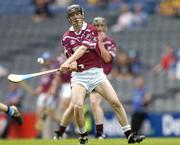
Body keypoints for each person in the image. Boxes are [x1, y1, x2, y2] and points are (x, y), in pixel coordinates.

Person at [54, 4, 145, 144]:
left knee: (115, 102)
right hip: (79, 77)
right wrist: (70, 64)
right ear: (69, 18)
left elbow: (83, 48)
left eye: (78, 13)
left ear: (82, 14)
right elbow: (70, 57)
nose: (76, 17)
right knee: (77, 106)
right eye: (72, 15)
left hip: (96, 73)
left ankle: (129, 135)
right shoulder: (66, 37)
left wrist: (70, 60)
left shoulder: (91, 29)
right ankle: (83, 135)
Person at [89, 16, 116, 139]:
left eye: (101, 25)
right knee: (73, 105)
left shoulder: (110, 42)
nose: (99, 28)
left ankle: (100, 132)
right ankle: (63, 130)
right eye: (97, 26)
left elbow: (107, 59)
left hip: (100, 77)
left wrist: (99, 42)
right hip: (86, 76)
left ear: (105, 27)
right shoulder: (87, 41)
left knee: (94, 103)